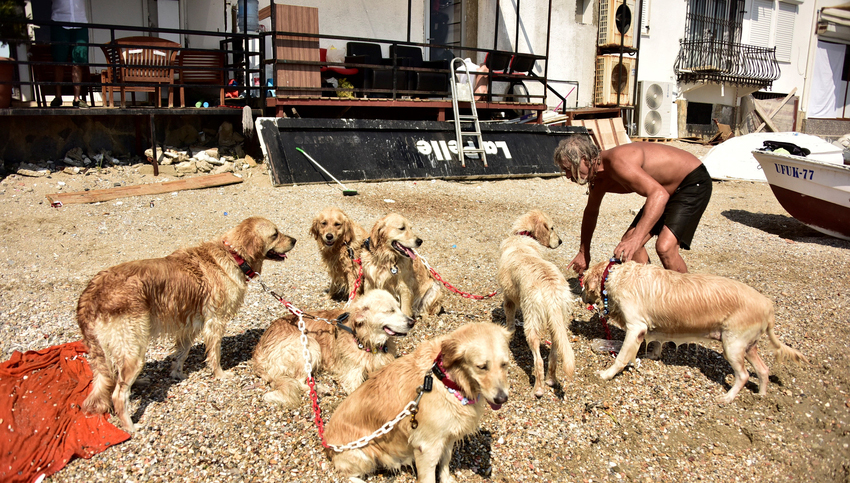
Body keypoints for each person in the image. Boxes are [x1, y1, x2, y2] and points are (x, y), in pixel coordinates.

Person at [553, 135, 712, 274]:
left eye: (569, 168)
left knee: (665, 247)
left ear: (584, 158)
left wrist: (637, 238)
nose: (568, 175)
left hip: (691, 181)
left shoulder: (617, 161)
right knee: (629, 244)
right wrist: (583, 251)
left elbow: (658, 195)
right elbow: (591, 213)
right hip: (664, 191)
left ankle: (689, 302)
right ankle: (647, 296)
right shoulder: (597, 180)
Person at [50, 0, 89, 108]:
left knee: (79, 59)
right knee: (59, 60)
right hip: (60, 21)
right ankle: (58, 96)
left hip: (80, 21)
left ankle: (77, 98)